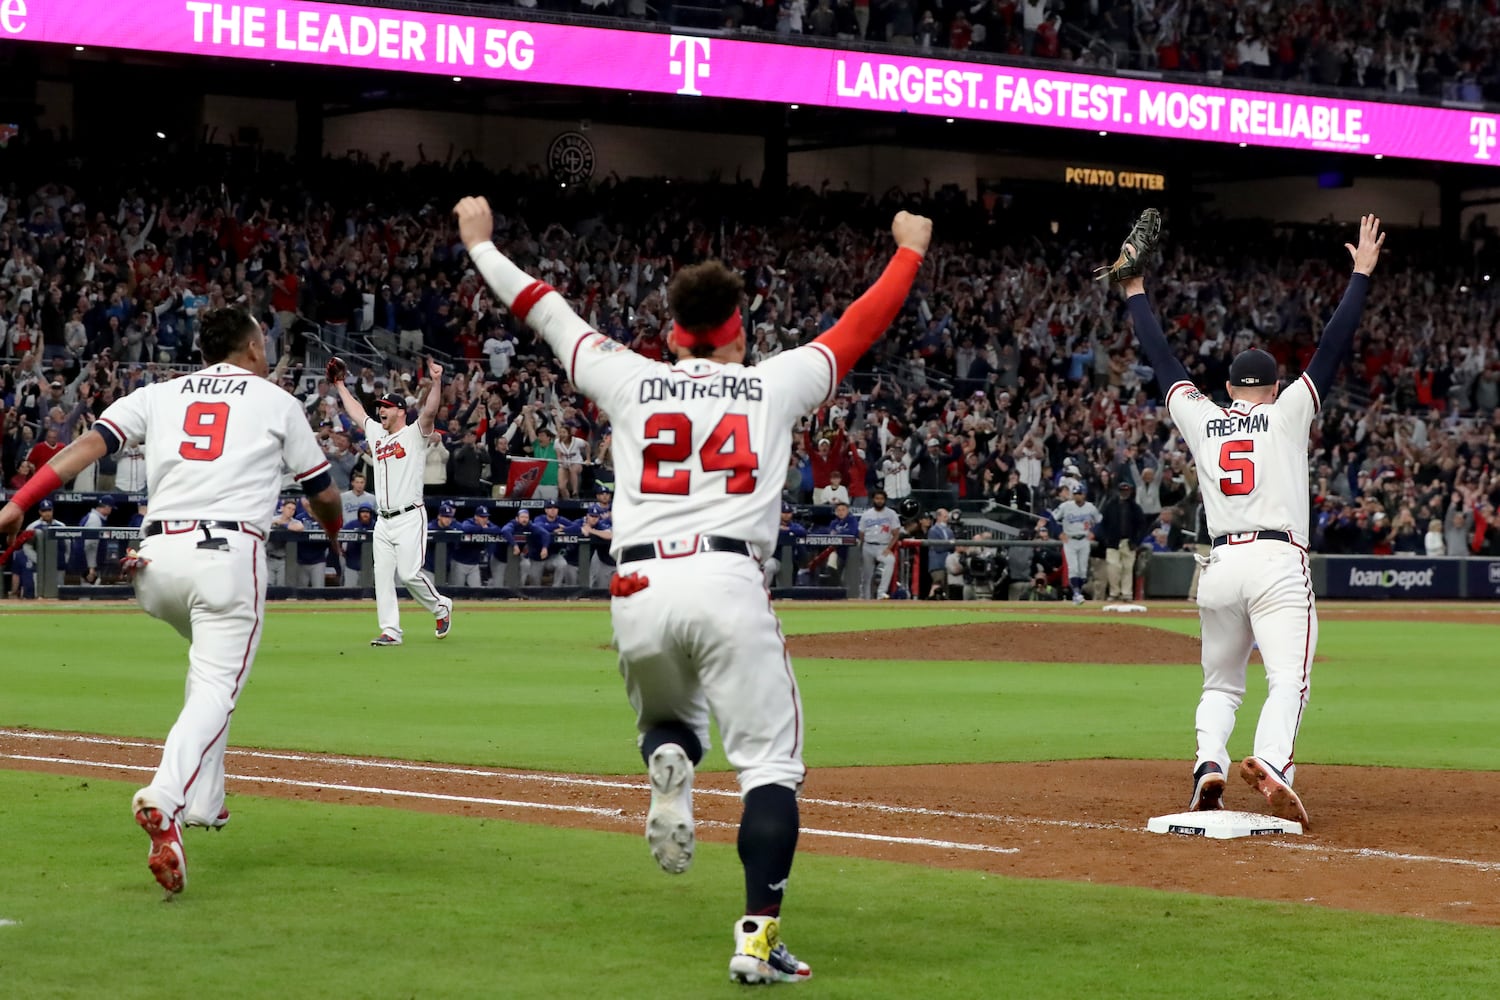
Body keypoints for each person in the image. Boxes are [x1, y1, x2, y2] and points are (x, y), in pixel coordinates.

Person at [457, 194, 929, 985]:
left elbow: (545, 308)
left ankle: (670, 759)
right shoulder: (774, 383)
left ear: (671, 331)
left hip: (640, 582)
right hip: (728, 576)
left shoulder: (628, 375)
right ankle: (755, 936)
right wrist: (909, 250)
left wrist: (480, 245)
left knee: (671, 719)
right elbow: (860, 324)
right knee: (770, 769)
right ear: (739, 325)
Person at [0, 306, 344, 896]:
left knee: (207, 670)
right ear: (253, 348)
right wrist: (334, 534)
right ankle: (165, 794)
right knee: (216, 684)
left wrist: (17, 503)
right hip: (228, 558)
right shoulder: (275, 400)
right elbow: (324, 493)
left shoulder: (159, 393)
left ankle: (204, 803)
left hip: (155, 563)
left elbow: (86, 445)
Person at [1104, 209, 1382, 826]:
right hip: (1278, 562)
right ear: (1274, 385)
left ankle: (1209, 763)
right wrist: (1360, 273)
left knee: (1220, 684)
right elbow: (1333, 347)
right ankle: (1275, 763)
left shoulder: (1204, 418)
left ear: (1230, 389)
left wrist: (1134, 290)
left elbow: (1164, 362)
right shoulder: (1287, 413)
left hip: (1221, 565)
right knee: (1290, 677)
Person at [329, 358, 453, 645]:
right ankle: (391, 631)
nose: (380, 411)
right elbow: (358, 413)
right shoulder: (377, 434)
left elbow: (430, 411)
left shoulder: (414, 433)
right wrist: (339, 386)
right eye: (380, 408)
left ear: (400, 411)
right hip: (383, 520)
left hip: (410, 515)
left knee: (409, 575)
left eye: (385, 407)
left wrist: (436, 382)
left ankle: (440, 605)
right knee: (382, 577)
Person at [1052, 485, 1101, 604]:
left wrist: (1094, 532)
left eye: (1079, 494)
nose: (1077, 496)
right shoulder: (1066, 506)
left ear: (1084, 494)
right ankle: (1076, 593)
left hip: (1084, 539)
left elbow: (1100, 521)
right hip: (1070, 540)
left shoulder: (1090, 507)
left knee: (1083, 571)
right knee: (1073, 568)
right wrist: (1059, 533)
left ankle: (1077, 592)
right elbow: (1052, 519)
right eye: (1075, 494)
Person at [1098, 481, 1145, 600]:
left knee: (1128, 568)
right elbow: (1103, 524)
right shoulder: (1110, 505)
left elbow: (1142, 526)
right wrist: (1106, 539)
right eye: (1123, 491)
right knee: (1113, 567)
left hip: (1128, 542)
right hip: (1113, 542)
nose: (1125, 493)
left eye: (1127, 491)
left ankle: (1126, 593)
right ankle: (1114, 592)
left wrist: (1136, 541)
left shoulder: (1135, 507)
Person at [857, 489, 901, 599]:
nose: (879, 501)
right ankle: (865, 598)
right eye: (877, 498)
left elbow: (896, 533)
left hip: (883, 546)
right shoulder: (867, 514)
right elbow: (861, 533)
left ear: (885, 500)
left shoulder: (891, 514)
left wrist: (889, 548)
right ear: (873, 499)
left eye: (881, 499)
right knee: (866, 575)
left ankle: (881, 593)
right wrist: (862, 546)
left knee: (890, 561)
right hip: (868, 545)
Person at [450, 505, 500, 588]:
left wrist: (484, 529)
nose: (485, 519)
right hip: (459, 563)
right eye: (482, 517)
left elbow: (497, 529)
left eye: (486, 517)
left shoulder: (488, 523)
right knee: (457, 591)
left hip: (474, 565)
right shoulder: (468, 522)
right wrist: (482, 529)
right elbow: (465, 528)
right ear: (476, 517)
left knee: (477, 591)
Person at [761, 501, 809, 587]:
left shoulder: (795, 526)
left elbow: (804, 532)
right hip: (775, 559)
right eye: (783, 513)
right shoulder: (772, 525)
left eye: (788, 513)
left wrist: (787, 530)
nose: (786, 515)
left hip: (792, 561)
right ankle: (763, 591)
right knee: (768, 566)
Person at [571, 502, 615, 589]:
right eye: (592, 516)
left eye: (596, 517)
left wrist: (591, 530)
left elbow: (610, 535)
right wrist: (580, 529)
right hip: (573, 558)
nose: (594, 519)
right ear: (587, 516)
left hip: (602, 558)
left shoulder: (600, 525)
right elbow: (567, 529)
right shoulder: (579, 522)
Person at [342, 503, 375, 587]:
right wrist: (340, 551)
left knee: (368, 595)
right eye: (362, 512)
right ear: (359, 513)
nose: (365, 514)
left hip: (370, 567)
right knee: (348, 594)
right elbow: (339, 538)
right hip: (352, 565)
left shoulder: (376, 525)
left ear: (371, 514)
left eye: (367, 512)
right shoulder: (351, 525)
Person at [925, 508, 955, 599]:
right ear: (938, 517)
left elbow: (953, 545)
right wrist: (949, 545)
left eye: (947, 516)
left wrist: (949, 545)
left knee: (946, 587)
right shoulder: (933, 531)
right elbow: (938, 548)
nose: (947, 518)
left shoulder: (949, 531)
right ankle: (930, 601)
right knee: (938, 583)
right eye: (945, 516)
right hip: (937, 563)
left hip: (948, 564)